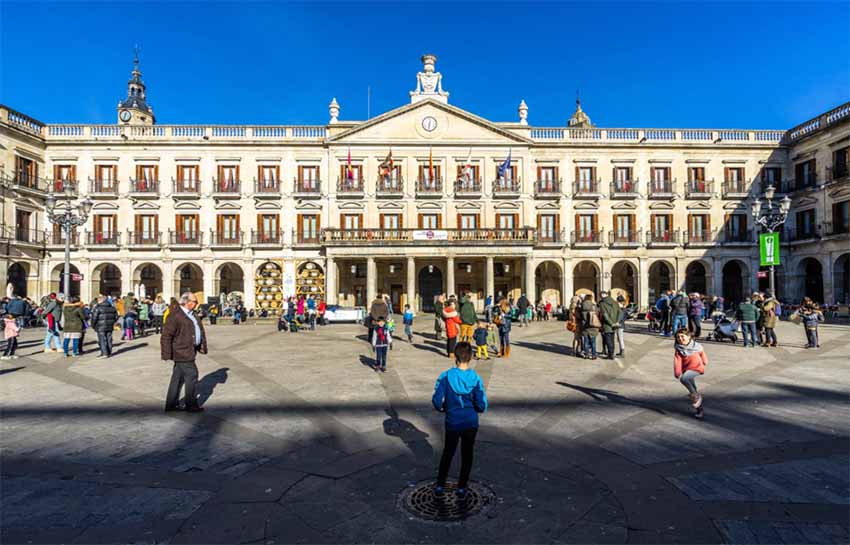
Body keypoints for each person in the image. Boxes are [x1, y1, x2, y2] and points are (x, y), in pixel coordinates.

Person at [431, 342, 488, 497]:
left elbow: (436, 399)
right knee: (467, 454)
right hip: (470, 422)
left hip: (453, 421)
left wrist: (442, 408)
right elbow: (482, 404)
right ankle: (462, 486)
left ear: (455, 357)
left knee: (448, 452)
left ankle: (440, 485)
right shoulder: (476, 379)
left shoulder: (446, 376)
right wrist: (476, 408)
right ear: (470, 358)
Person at [162, 292, 208, 413]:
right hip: (181, 351)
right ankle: (191, 405)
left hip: (190, 349)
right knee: (192, 375)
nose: (197, 304)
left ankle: (171, 405)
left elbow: (197, 330)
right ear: (187, 302)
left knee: (177, 378)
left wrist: (201, 345)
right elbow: (166, 335)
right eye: (195, 302)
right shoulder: (175, 315)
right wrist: (166, 353)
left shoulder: (192, 314)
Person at [673, 328, 707, 420]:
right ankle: (700, 410)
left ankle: (695, 395)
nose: (680, 338)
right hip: (686, 369)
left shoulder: (697, 346)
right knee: (692, 389)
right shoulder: (678, 348)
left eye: (682, 336)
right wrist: (677, 372)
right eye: (678, 337)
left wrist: (705, 361)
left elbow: (702, 355)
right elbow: (677, 361)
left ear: (688, 337)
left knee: (684, 379)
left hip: (697, 367)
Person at [598, 291, 619, 360]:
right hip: (615, 324)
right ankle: (612, 353)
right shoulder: (615, 302)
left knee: (608, 340)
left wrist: (611, 323)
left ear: (601, 295)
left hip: (607, 324)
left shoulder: (602, 304)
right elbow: (620, 312)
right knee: (612, 339)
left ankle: (610, 355)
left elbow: (605, 315)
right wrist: (617, 322)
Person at [581, 293, 600, 360]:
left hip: (585, 326)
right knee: (593, 342)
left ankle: (586, 354)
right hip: (593, 325)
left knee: (586, 341)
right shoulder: (594, 306)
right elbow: (598, 313)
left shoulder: (582, 306)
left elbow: (580, 316)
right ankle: (594, 355)